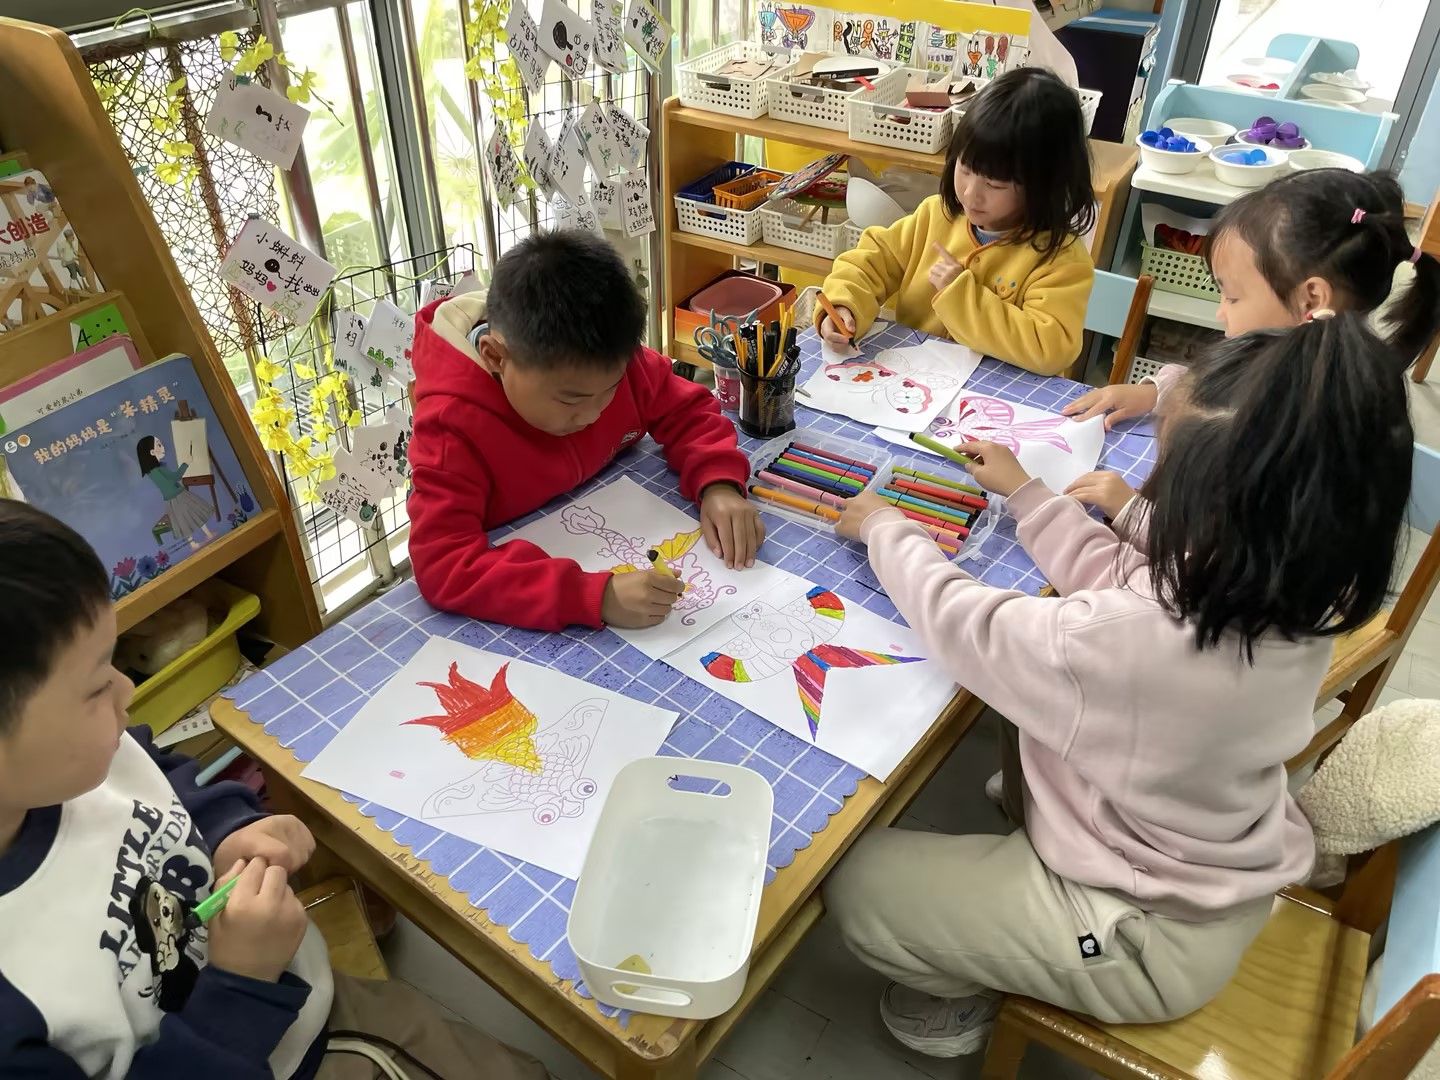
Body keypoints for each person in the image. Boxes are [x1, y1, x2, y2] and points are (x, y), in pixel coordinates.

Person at [826, 314, 1412, 1057]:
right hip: (1185, 858)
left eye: (1171, 477)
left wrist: (888, 528)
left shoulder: (1144, 640)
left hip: (1140, 940)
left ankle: (973, 995)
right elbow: (1130, 579)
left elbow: (966, 625)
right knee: (1020, 738)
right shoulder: (1292, 587)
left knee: (855, 884)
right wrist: (1031, 496)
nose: (1155, 498)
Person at [0, 501, 549, 1079]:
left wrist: (229, 832)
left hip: (302, 998)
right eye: (95, 687)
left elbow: (165, 781)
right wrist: (242, 981)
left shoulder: (86, 761)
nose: (126, 691)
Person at [407, 231, 762, 633]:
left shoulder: (604, 357)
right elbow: (443, 563)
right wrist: (591, 596)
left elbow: (687, 409)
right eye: (571, 400)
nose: (593, 414)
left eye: (610, 390)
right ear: (495, 357)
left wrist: (718, 483)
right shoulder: (450, 427)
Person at [1063, 169, 1440, 519]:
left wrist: (1131, 511)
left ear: (1310, 299)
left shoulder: (1300, 427)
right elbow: (1212, 388)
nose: (1220, 312)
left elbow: (1207, 552)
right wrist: (1154, 392)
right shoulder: (1297, 355)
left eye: (1232, 297)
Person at [816, 67, 1096, 376]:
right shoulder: (935, 215)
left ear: (1044, 186)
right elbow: (872, 261)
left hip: (996, 397)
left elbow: (1049, 349)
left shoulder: (1060, 259)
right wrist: (845, 304)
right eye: (965, 169)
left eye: (994, 184)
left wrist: (960, 295)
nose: (971, 194)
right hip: (912, 382)